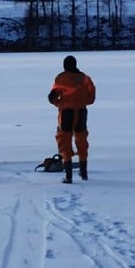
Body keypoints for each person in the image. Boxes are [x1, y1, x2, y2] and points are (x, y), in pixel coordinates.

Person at [48, 55, 96, 183]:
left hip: (66, 113)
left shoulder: (61, 78)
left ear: (64, 66)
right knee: (81, 139)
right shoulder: (85, 78)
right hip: (81, 112)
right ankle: (83, 172)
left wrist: (60, 104)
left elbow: (51, 97)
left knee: (64, 139)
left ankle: (68, 175)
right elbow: (92, 98)